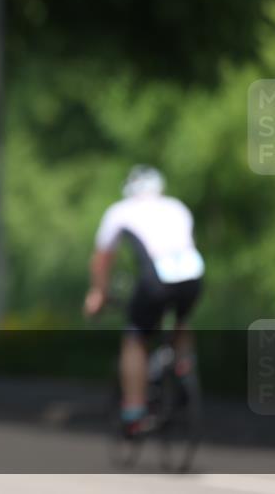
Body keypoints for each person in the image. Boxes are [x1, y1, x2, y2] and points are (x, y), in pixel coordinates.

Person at [84, 165, 205, 437]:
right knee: (181, 319)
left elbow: (103, 258)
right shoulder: (176, 206)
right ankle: (184, 369)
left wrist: (98, 293)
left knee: (135, 337)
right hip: (194, 274)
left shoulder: (120, 211)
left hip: (156, 278)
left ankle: (134, 410)